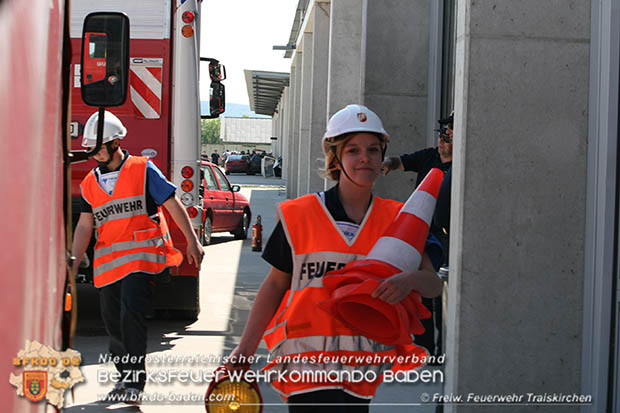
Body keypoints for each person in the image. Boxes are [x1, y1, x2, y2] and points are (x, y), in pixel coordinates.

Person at [227, 104, 443, 412]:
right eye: (353, 150)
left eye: (373, 149)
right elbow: (275, 286)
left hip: (361, 368)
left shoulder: (397, 218)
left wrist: (409, 280)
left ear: (383, 157)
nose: (364, 158)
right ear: (335, 157)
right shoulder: (299, 215)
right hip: (305, 366)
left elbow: (433, 284)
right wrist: (245, 349)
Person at [71, 111, 204, 403]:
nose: (94, 154)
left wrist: (192, 241)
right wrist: (74, 258)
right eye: (91, 149)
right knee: (113, 323)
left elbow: (171, 203)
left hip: (142, 259)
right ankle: (124, 377)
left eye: (99, 147)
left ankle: (134, 383)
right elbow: (85, 224)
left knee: (131, 314)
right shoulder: (90, 183)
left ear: (116, 142)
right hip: (108, 266)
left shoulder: (143, 169)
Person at [382, 111, 453, 360]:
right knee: (421, 297)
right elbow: (398, 161)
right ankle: (425, 349)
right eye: (442, 136)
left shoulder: (461, 166)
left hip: (446, 238)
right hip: (421, 235)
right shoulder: (429, 156)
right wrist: (385, 164)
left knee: (440, 296)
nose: (442, 142)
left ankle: (441, 352)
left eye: (448, 137)